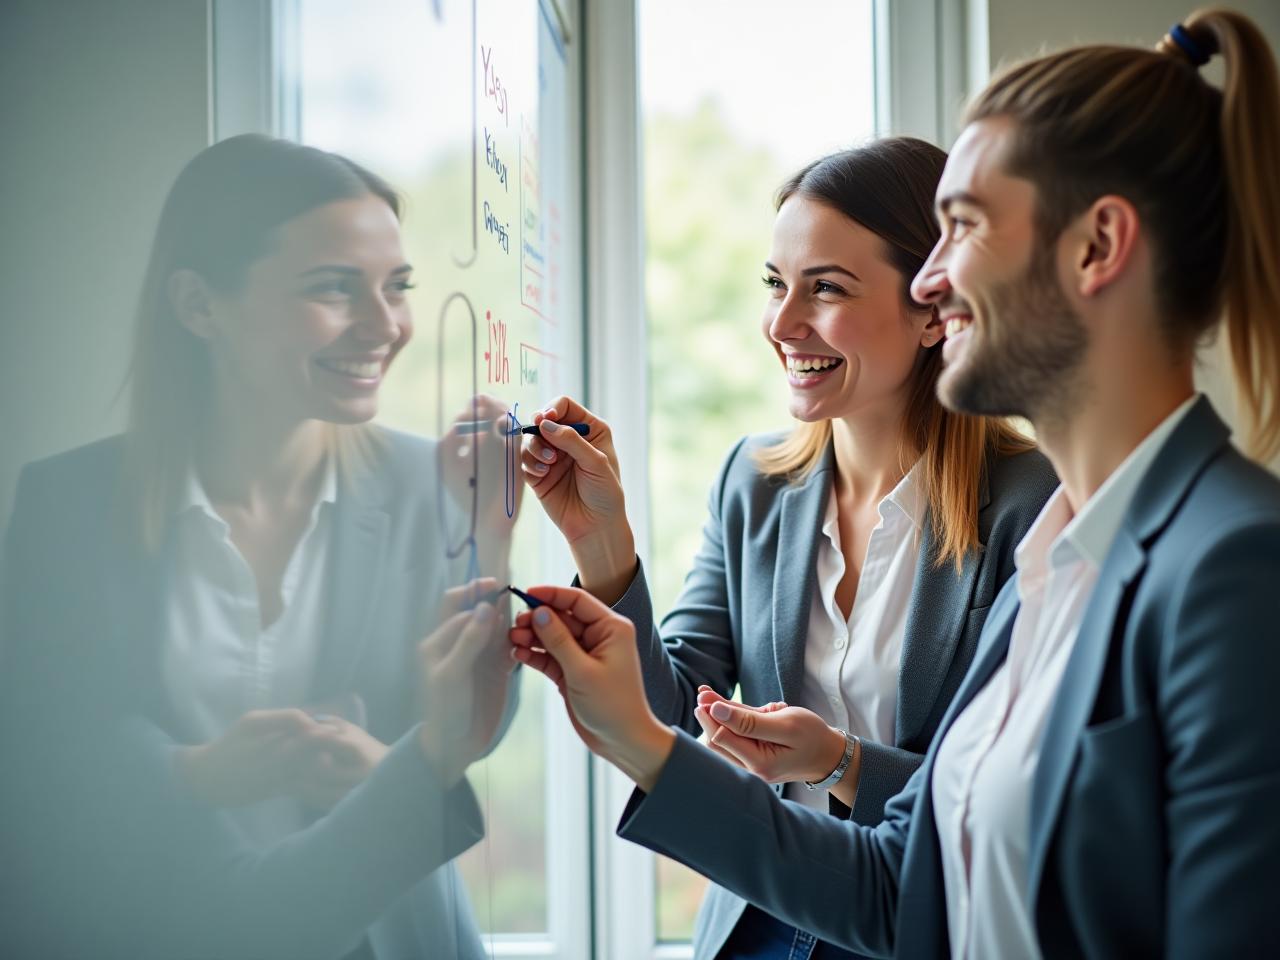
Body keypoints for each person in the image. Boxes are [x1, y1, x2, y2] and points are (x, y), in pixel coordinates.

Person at [512, 8, 1280, 958]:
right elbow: (902, 881)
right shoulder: (1061, 556)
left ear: (1096, 248)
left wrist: (830, 759)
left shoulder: (1233, 564)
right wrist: (641, 733)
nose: (929, 283)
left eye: (961, 228)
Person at [514, 138, 1055, 957]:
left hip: (920, 924)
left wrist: (842, 762)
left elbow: (1005, 800)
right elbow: (675, 719)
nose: (781, 323)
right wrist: (603, 541)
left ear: (933, 310)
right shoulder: (754, 482)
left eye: (826, 288)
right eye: (775, 284)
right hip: (756, 922)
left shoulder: (1034, 505)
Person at [0, 134, 518, 959]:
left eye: (397, 288)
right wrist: (196, 773)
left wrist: (492, 555)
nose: (386, 327)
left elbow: (471, 725)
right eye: (333, 289)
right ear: (200, 306)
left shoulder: (436, 480)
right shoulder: (70, 504)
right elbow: (46, 753)